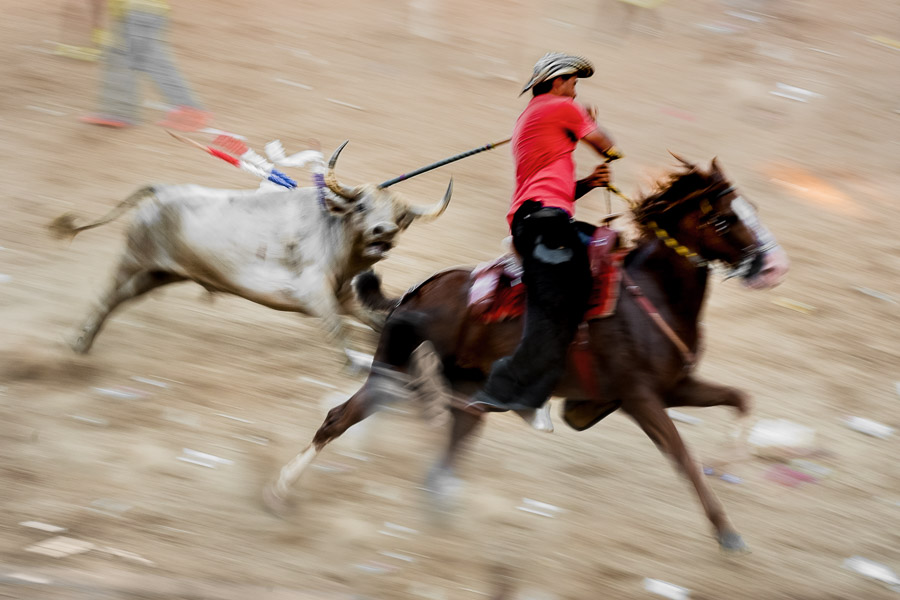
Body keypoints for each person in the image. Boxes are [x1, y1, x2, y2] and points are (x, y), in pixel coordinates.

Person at [467, 52, 621, 429]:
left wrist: (588, 183)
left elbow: (557, 189)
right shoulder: (559, 107)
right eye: (573, 82)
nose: (575, 90)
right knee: (559, 298)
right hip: (543, 221)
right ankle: (507, 387)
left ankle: (540, 391)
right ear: (556, 81)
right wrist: (589, 123)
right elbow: (609, 148)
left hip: (545, 216)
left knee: (584, 281)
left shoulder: (533, 118)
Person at [80, 0, 210, 131]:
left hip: (139, 11)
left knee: (152, 62)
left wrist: (96, 26)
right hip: (133, 12)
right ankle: (118, 112)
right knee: (119, 60)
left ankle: (190, 110)